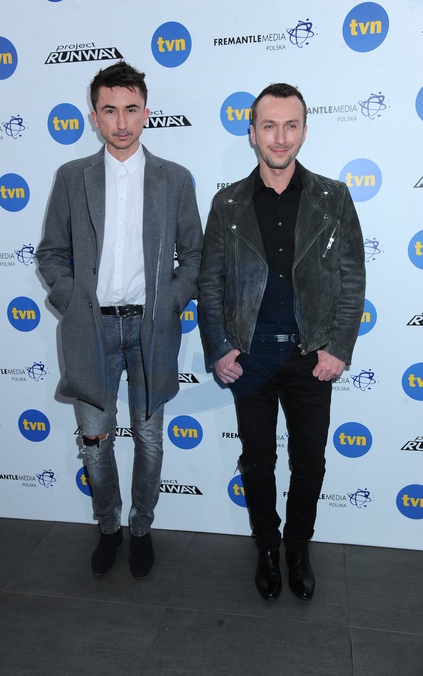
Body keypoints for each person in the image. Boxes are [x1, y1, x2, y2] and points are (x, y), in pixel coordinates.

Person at [198, 83, 365, 602]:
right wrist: (219, 346)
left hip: (311, 354)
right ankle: (267, 550)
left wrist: (338, 348)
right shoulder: (227, 202)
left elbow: (352, 280)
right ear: (252, 133)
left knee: (309, 462)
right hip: (250, 354)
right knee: (257, 461)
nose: (280, 137)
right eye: (269, 126)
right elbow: (210, 283)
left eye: (291, 125)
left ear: (304, 131)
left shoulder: (333, 198)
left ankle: (298, 549)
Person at [36, 61, 202, 580]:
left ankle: (142, 528)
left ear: (146, 113)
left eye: (131, 109)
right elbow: (50, 253)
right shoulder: (72, 177)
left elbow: (194, 256)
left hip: (152, 329)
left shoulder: (175, 179)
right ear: (95, 117)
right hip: (92, 328)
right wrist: (75, 301)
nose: (122, 122)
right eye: (110, 110)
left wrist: (170, 302)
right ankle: (108, 526)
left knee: (149, 439)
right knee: (94, 439)